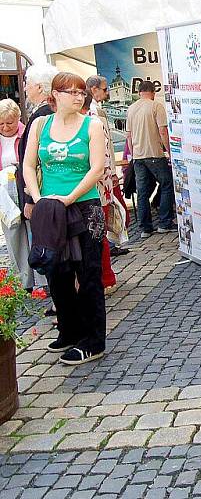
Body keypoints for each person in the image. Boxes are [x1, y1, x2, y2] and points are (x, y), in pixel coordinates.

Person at [22, 72, 107, 366]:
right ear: (55, 95)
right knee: (56, 271)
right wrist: (38, 197)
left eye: (81, 92)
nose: (78, 97)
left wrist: (70, 197)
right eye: (71, 91)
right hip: (51, 209)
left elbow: (96, 168)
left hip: (84, 206)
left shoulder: (91, 125)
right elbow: (29, 165)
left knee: (88, 273)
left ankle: (94, 339)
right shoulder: (40, 124)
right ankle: (69, 330)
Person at [126, 81, 176, 237]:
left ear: (140, 92)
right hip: (154, 153)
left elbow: (128, 135)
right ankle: (164, 222)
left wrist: (134, 154)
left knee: (142, 191)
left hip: (138, 156)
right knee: (167, 184)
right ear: (153, 92)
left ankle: (145, 228)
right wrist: (169, 151)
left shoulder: (131, 108)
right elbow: (163, 131)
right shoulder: (156, 106)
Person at [86, 75, 128, 257]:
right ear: (93, 89)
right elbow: (103, 149)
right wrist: (110, 172)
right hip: (100, 178)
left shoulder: (97, 111)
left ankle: (110, 246)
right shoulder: (93, 114)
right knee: (104, 217)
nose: (107, 92)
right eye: (104, 89)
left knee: (110, 214)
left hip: (104, 176)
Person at [0, 99, 39, 289]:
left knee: (34, 231)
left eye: (10, 122)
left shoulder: (26, 134)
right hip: (4, 192)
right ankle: (24, 281)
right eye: (1, 123)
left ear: (18, 119)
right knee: (13, 234)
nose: (6, 127)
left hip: (24, 187)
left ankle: (42, 279)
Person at [17, 64, 58, 222]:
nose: (25, 88)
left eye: (27, 83)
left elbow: (36, 161)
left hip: (43, 192)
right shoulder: (48, 112)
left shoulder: (43, 115)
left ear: (40, 87)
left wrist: (30, 199)